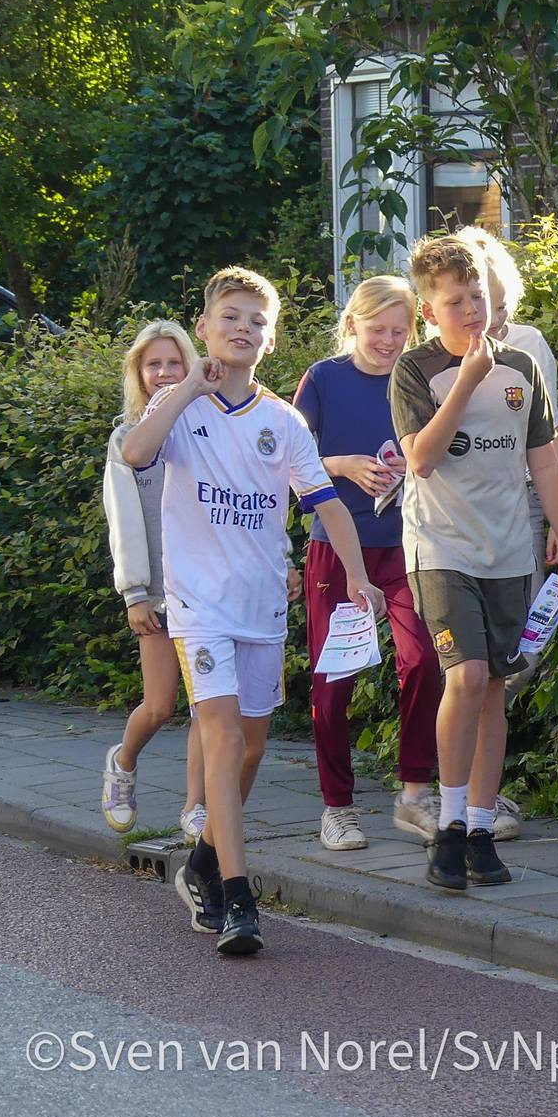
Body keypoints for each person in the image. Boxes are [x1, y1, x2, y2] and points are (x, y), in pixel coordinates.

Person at [120, 266, 384, 956]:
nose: (243, 329)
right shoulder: (180, 407)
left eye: (257, 321)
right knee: (224, 736)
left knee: (255, 746)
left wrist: (357, 575)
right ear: (205, 326)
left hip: (262, 604)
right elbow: (136, 452)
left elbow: (325, 502)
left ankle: (203, 863)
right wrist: (183, 392)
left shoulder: (284, 421)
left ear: (270, 339)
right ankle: (241, 902)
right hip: (198, 606)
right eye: (230, 317)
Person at [392, 234, 558, 893]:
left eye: (478, 298)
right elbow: (420, 457)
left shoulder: (522, 370)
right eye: (455, 302)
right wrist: (466, 379)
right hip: (441, 549)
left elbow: (546, 463)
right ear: (428, 312)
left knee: (495, 684)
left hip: (507, 551)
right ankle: (445, 826)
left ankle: (478, 828)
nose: (471, 311)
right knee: (466, 675)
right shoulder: (415, 371)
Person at [293, 275, 441, 851]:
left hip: (409, 544)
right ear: (352, 323)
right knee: (334, 681)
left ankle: (413, 792)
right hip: (336, 546)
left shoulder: (420, 378)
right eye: (377, 329)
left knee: (425, 661)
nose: (388, 341)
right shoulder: (325, 379)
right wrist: (344, 464)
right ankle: (337, 807)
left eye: (399, 331)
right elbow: (288, 460)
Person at [100, 320, 207, 844]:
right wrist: (134, 591)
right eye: (153, 364)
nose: (164, 372)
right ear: (138, 375)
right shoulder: (127, 440)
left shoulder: (211, 428)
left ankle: (196, 807)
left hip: (209, 591)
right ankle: (122, 763)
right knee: (161, 705)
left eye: (173, 362)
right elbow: (124, 519)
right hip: (159, 595)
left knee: (208, 705)